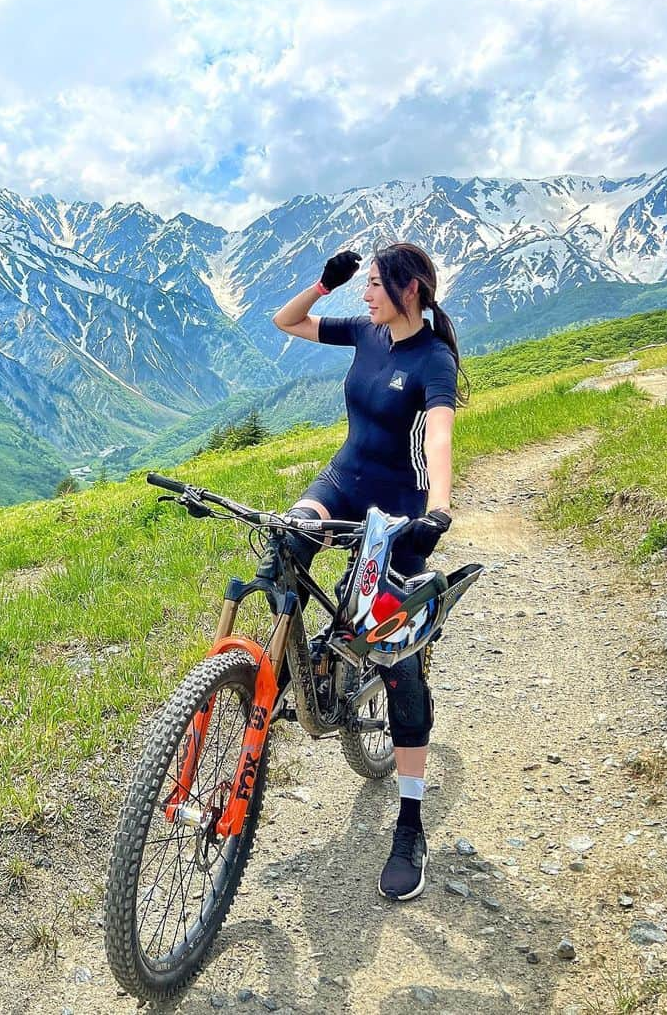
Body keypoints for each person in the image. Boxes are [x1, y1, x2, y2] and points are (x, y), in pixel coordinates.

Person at [271, 241, 467, 902]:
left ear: (410, 290)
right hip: (342, 481)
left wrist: (438, 510)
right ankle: (274, 681)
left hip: (399, 511)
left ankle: (410, 823)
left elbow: (438, 439)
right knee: (286, 548)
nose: (367, 294)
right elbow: (287, 323)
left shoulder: (432, 360)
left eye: (376, 285)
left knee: (392, 651)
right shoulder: (366, 333)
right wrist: (324, 283)